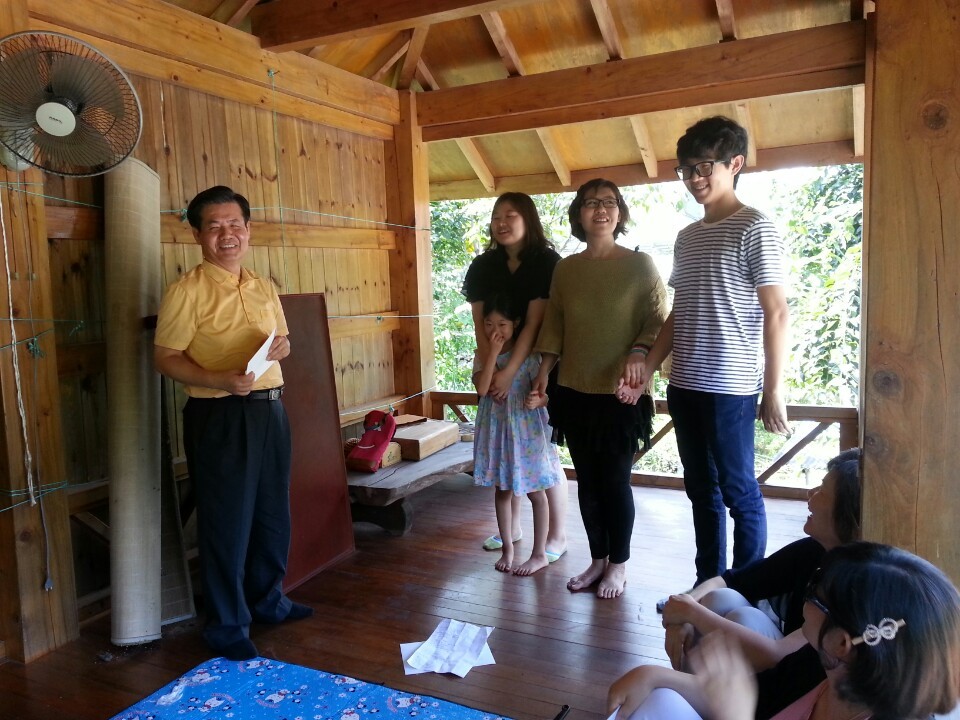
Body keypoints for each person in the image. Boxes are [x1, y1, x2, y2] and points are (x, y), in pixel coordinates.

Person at [628, 116, 791, 586]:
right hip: (684, 385)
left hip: (731, 388)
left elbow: (778, 312)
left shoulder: (755, 227)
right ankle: (707, 589)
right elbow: (679, 313)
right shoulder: (687, 236)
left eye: (704, 167)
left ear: (734, 164)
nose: (694, 179)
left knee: (740, 492)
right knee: (702, 492)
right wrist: (648, 367)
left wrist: (773, 390)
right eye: (686, 170)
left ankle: (746, 595)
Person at [154, 185, 312, 662]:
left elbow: (281, 340)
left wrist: (283, 346)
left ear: (248, 229)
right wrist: (219, 379)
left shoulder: (262, 285)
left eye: (235, 225)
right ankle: (226, 625)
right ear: (198, 235)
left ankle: (268, 601)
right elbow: (165, 357)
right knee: (227, 520)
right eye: (215, 226)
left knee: (271, 512)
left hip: (271, 409)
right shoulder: (187, 291)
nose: (227, 235)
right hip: (220, 414)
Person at [608, 542, 960, 720]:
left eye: (814, 593)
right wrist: (655, 675)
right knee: (657, 699)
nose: (805, 595)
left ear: (842, 642)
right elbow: (758, 696)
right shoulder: (820, 666)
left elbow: (740, 707)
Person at [533, 178, 669, 599]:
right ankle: (597, 560)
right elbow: (555, 325)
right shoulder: (566, 269)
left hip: (621, 393)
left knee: (614, 481)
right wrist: (543, 373)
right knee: (588, 483)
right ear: (579, 214)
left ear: (620, 212)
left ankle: (619, 565)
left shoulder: (640, 265)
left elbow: (658, 319)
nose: (601, 209)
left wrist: (640, 353)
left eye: (609, 202)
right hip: (573, 390)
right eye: (591, 203)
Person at [661, 448, 861, 718]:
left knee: (744, 617)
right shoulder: (813, 550)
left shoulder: (852, 583)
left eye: (823, 491)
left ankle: (711, 701)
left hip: (794, 685)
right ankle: (693, 694)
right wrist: (684, 614)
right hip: (769, 668)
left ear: (846, 513)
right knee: (720, 598)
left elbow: (777, 655)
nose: (810, 494)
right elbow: (728, 580)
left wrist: (690, 612)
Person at [461, 192, 568, 562]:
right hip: (497, 358)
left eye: (511, 215)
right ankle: (514, 529)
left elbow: (535, 323)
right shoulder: (483, 265)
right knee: (510, 450)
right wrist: (491, 365)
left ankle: (557, 535)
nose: (502, 223)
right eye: (496, 216)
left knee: (541, 456)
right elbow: (480, 323)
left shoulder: (546, 262)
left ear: (528, 219)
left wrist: (508, 372)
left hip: (537, 364)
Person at [472, 293, 564, 575]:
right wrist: (491, 355)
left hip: (527, 431)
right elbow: (482, 388)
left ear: (516, 323)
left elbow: (544, 394)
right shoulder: (481, 354)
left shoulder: (530, 355)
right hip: (498, 431)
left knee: (537, 493)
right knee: (502, 490)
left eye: (502, 324)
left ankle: (539, 554)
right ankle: (508, 549)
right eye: (488, 324)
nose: (494, 331)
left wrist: (540, 400)